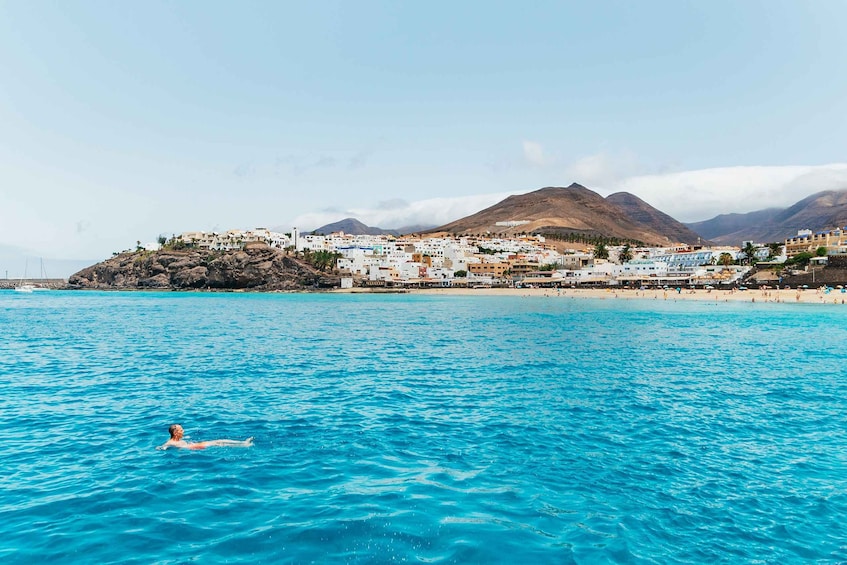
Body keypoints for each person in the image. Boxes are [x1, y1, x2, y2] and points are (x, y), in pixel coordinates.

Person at [157, 424, 254, 450]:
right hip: (194, 448)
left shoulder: (178, 439)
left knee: (219, 442)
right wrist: (161, 448)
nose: (183, 431)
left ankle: (243, 443)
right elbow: (165, 446)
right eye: (181, 430)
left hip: (194, 446)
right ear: (175, 433)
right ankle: (244, 444)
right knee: (219, 443)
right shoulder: (171, 442)